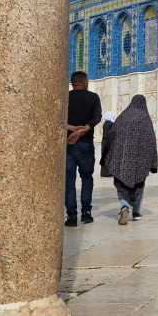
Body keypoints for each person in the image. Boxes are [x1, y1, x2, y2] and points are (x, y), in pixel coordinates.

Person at [106, 94, 157, 223]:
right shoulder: (145, 118)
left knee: (121, 185)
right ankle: (136, 212)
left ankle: (124, 206)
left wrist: (109, 156)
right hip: (140, 161)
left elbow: (111, 136)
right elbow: (151, 141)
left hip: (121, 160)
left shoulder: (122, 116)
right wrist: (153, 163)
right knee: (139, 186)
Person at [65, 71, 102, 227]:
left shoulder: (65, 97)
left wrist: (72, 128)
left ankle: (71, 216)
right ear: (85, 82)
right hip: (86, 143)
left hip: (69, 144)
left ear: (73, 83)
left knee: (69, 180)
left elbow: (58, 118)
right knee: (87, 178)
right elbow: (97, 117)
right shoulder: (93, 97)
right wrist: (85, 128)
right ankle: (86, 213)